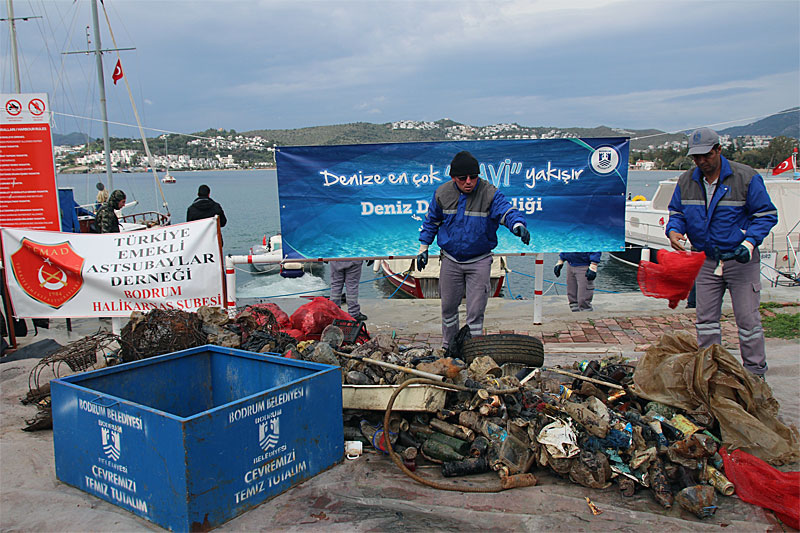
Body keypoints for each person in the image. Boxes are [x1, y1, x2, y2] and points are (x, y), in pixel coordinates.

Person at [665, 127, 777, 379]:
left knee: (748, 321)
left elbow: (766, 215)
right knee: (705, 321)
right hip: (706, 260)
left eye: (706, 155)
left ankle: (755, 374)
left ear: (718, 150)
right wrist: (673, 231)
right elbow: (677, 213)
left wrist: (748, 244)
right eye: (696, 157)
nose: (701, 161)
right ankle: (710, 372)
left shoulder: (746, 178)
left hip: (740, 261)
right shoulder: (686, 181)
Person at [417, 150, 530, 348]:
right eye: (463, 178)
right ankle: (448, 346)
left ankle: (473, 348)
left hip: (479, 261)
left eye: (473, 177)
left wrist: (517, 225)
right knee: (448, 309)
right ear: (453, 178)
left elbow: (507, 211)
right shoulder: (442, 193)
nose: (469, 181)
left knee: (476, 312)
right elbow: (431, 222)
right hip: (451, 260)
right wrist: (423, 248)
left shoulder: (489, 193)